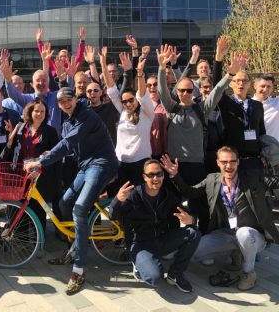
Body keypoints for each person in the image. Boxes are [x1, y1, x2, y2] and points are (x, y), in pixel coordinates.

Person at [24, 87, 118, 296]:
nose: (65, 103)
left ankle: (79, 269)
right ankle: (75, 246)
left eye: (69, 99)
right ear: (58, 104)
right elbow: (68, 146)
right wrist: (48, 154)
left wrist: (41, 161)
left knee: (79, 208)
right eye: (61, 101)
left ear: (76, 99)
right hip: (86, 166)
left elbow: (67, 143)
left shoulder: (86, 115)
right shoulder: (68, 120)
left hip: (101, 164)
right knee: (64, 203)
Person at [164, 146, 279, 291]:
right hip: (226, 233)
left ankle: (249, 273)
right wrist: (175, 175)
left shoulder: (253, 176)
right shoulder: (212, 179)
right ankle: (236, 253)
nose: (228, 166)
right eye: (224, 162)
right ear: (218, 163)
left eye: (232, 161)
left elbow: (274, 181)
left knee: (244, 234)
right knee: (197, 252)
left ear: (238, 162)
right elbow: (190, 192)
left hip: (253, 235)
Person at [157, 45, 243, 233]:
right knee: (171, 206)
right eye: (181, 90)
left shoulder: (201, 109)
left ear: (193, 92)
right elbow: (162, 90)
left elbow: (218, 90)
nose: (185, 94)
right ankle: (170, 240)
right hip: (174, 166)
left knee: (201, 205)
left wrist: (230, 75)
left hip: (196, 166)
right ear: (177, 91)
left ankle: (204, 241)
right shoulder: (172, 109)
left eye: (189, 90)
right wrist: (162, 68)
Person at [109, 159, 201, 293]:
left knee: (194, 232)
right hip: (140, 244)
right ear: (144, 177)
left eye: (158, 174)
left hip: (162, 239)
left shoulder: (167, 195)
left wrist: (191, 219)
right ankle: (139, 263)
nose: (155, 178)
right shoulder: (134, 195)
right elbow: (113, 215)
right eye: (150, 175)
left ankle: (175, 274)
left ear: (163, 176)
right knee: (154, 278)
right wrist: (117, 199)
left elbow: (186, 213)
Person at [0, 100, 61, 232]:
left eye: (42, 111)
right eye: (36, 111)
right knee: (19, 209)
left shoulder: (50, 131)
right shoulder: (21, 127)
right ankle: (21, 240)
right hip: (20, 175)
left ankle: (38, 243)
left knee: (38, 210)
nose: (39, 114)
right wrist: (10, 137)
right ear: (30, 111)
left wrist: (40, 170)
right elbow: (10, 150)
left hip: (39, 176)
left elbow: (55, 156)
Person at [100, 47, 154, 195]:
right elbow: (111, 87)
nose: (128, 104)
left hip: (141, 164)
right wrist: (103, 64)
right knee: (120, 199)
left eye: (131, 100)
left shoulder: (147, 112)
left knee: (139, 198)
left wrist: (140, 74)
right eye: (125, 102)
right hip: (121, 164)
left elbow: (142, 93)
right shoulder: (122, 110)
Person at [213, 37, 265, 171]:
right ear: (231, 83)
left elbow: (262, 132)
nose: (241, 84)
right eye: (237, 81)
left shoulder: (257, 105)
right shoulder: (225, 102)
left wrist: (264, 153)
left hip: (255, 160)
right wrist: (219, 58)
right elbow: (216, 86)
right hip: (232, 161)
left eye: (244, 81)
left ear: (250, 84)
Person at [253, 75, 279, 139]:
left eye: (268, 87)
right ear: (255, 86)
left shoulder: (277, 102)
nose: (265, 89)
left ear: (272, 88)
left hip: (273, 146)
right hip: (254, 146)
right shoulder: (247, 104)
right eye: (262, 86)